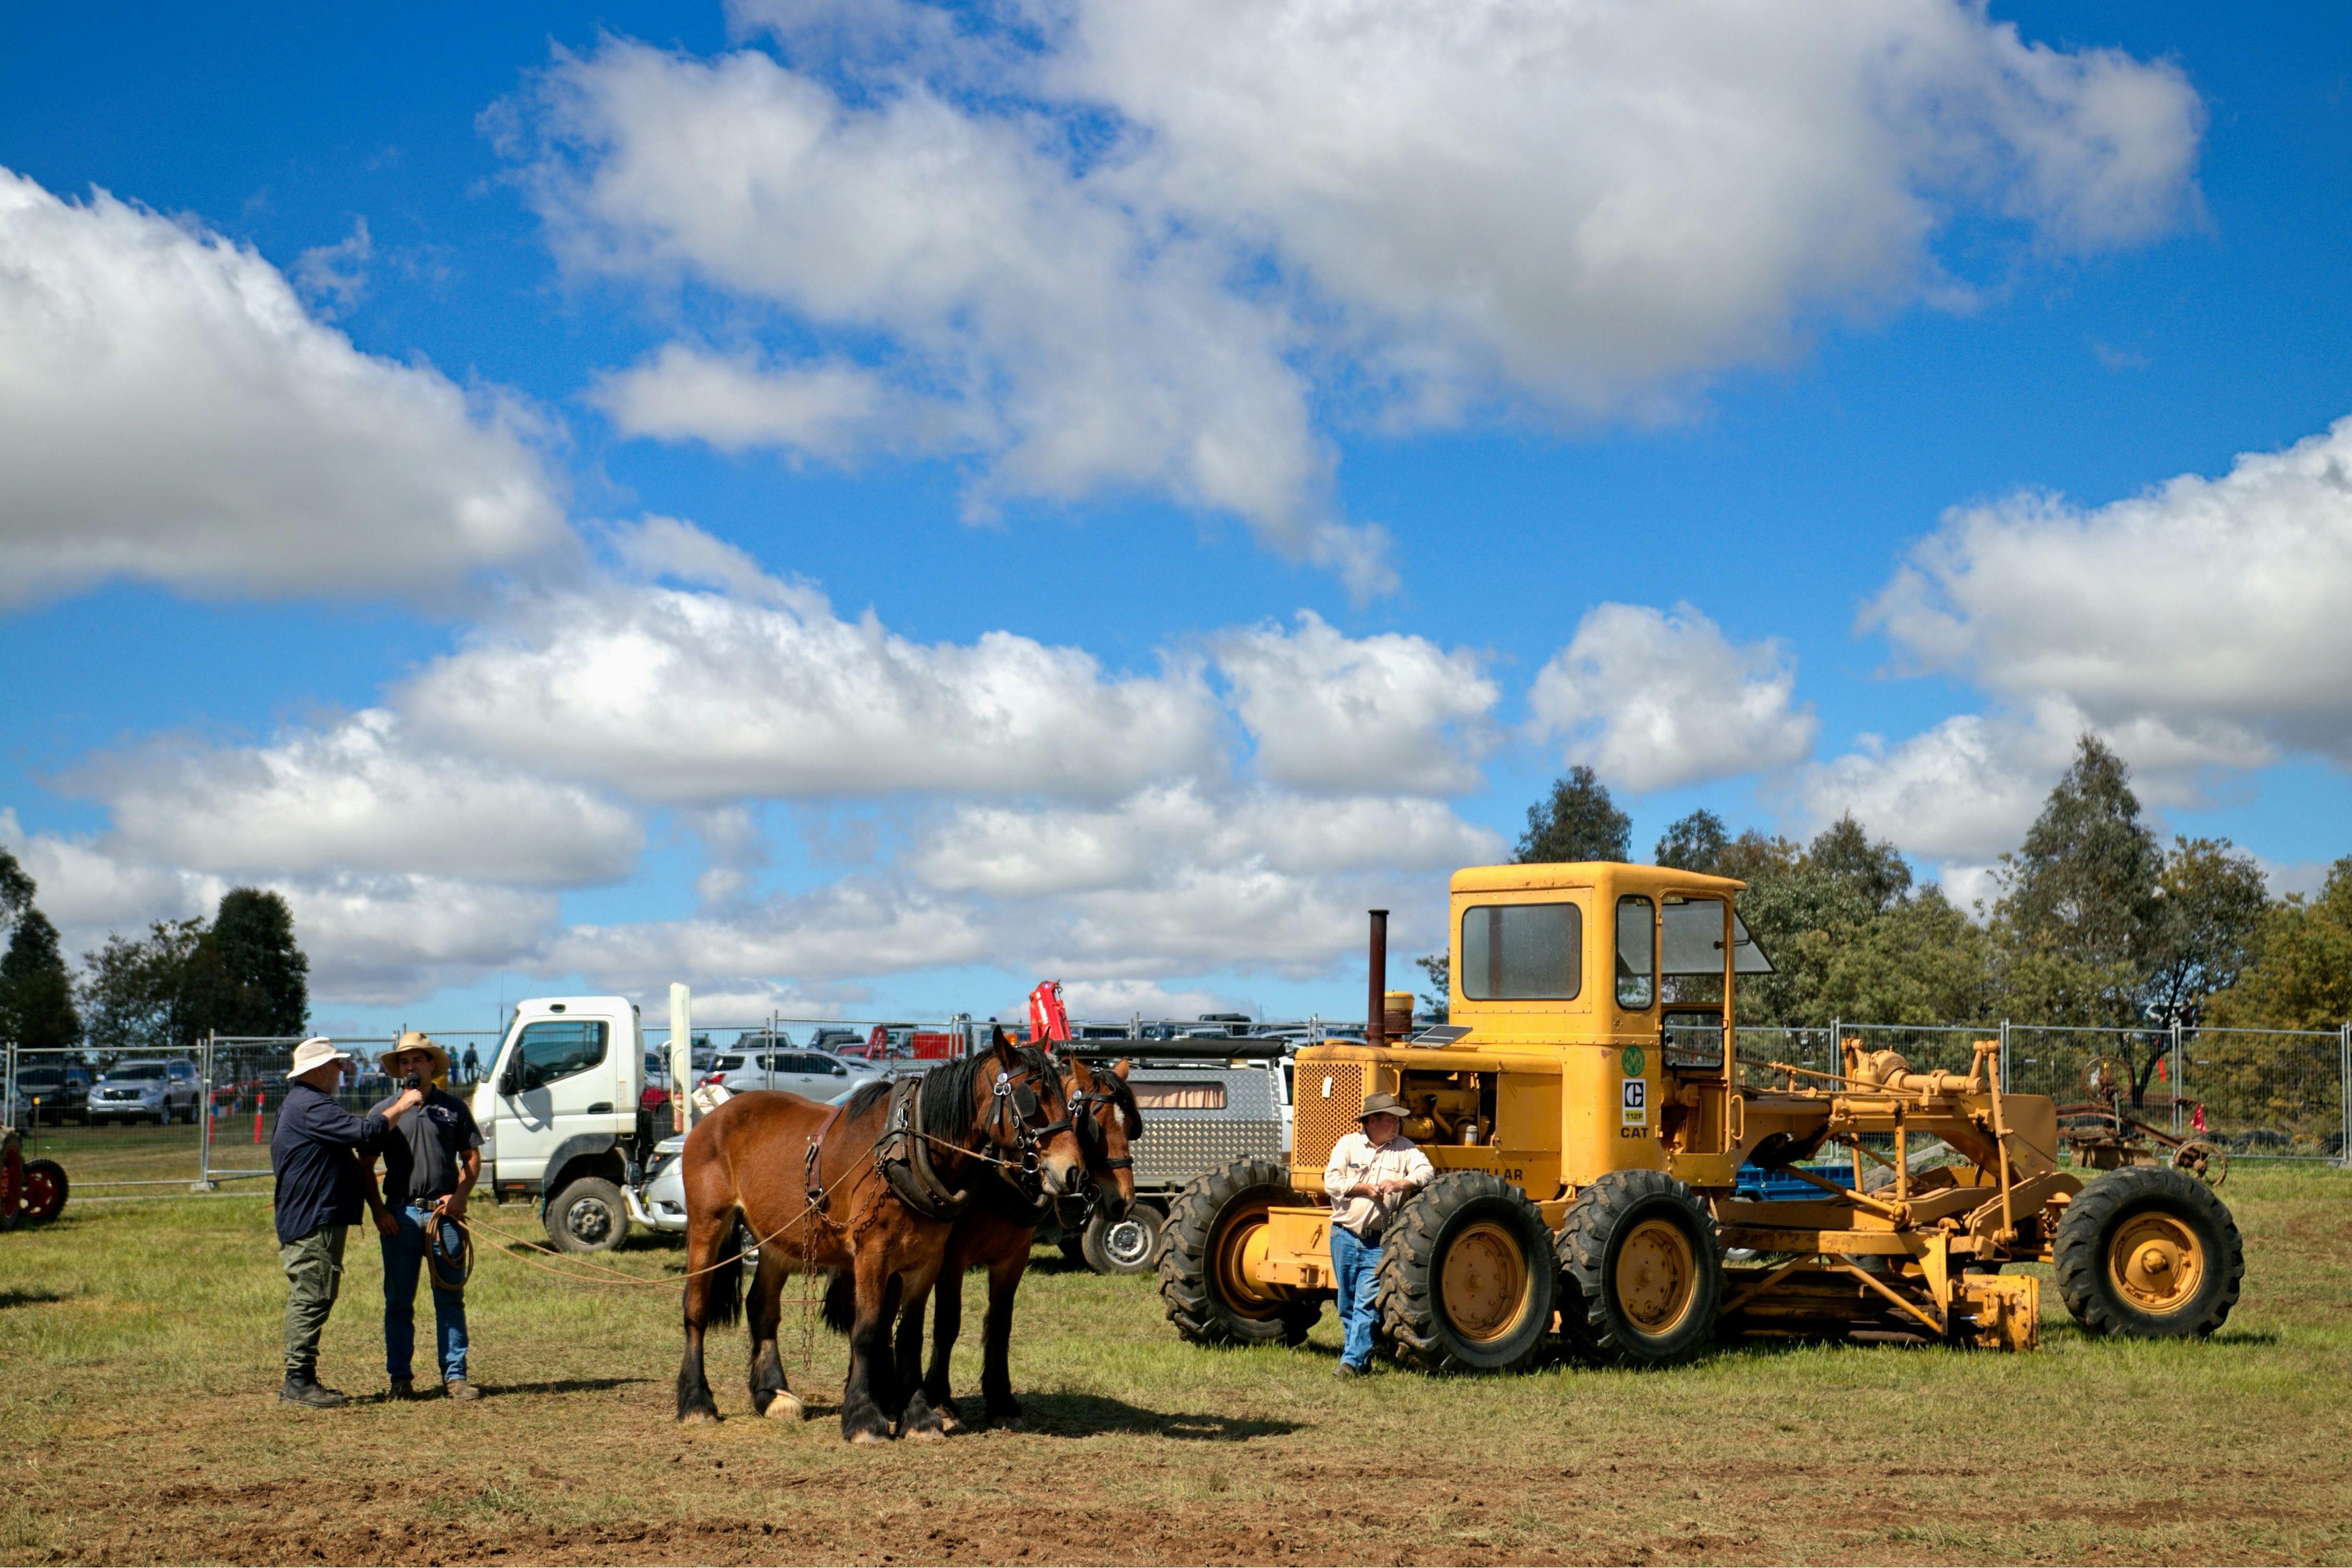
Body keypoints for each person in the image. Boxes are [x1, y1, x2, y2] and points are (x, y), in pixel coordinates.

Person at [270, 1037, 423, 1409]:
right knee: (313, 1296)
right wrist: (402, 1105)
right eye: (337, 1065)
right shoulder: (310, 1105)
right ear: (319, 1070)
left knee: (315, 1294)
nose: (343, 1071)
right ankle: (298, 1382)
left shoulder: (305, 1104)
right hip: (313, 1220)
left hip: (313, 1217)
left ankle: (301, 1379)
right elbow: (366, 1134)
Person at [364, 1032, 485, 1401]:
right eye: (404, 1062)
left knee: (449, 1298)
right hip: (399, 1216)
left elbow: (472, 1158)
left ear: (432, 1065)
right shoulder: (383, 1114)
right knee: (399, 1301)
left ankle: (456, 1376)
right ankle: (400, 1378)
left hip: (443, 1217)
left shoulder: (454, 1109)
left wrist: (461, 1196)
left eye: (417, 1060)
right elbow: (365, 1166)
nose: (410, 1067)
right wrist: (379, 1211)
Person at [1321, 1090, 1434, 1377]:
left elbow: (1427, 1173)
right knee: (1346, 1304)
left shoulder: (1405, 1147)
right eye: (1391, 1119)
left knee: (1366, 1303)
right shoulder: (1348, 1145)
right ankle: (1359, 1357)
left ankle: (1351, 1363)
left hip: (1378, 1242)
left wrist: (1401, 1183)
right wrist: (1364, 1189)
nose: (1397, 1124)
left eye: (1397, 1119)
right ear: (1372, 1120)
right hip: (1344, 1236)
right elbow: (1331, 1182)